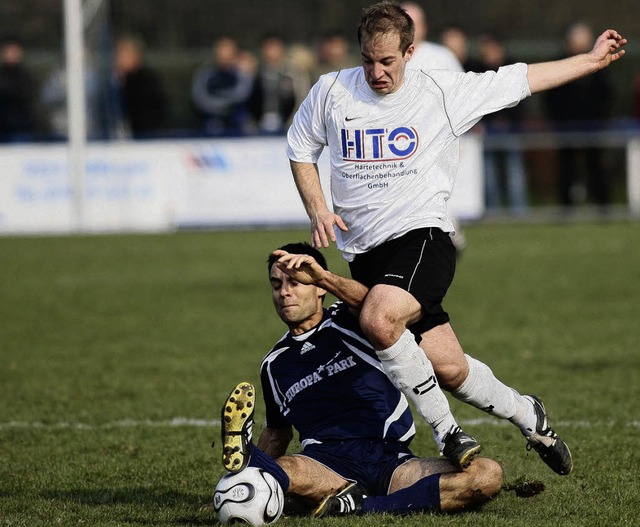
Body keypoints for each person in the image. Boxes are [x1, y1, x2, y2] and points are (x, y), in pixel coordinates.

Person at [287, 0, 625, 474]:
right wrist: (318, 207)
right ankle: (529, 414)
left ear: (409, 52)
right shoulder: (331, 91)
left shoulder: (442, 92)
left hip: (422, 239)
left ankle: (446, 431)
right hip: (364, 254)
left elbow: (522, 79)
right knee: (448, 368)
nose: (376, 72)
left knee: (381, 321)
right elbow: (301, 147)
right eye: (368, 60)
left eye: (387, 61)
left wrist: (590, 60)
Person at [217, 242, 504, 517]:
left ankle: (360, 506)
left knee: (487, 474)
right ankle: (249, 457)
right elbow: (278, 433)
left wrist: (325, 276)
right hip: (325, 464)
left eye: (295, 282)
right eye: (276, 285)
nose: (284, 293)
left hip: (391, 461)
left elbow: (374, 303)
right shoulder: (274, 364)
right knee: (290, 470)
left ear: (318, 289)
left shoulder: (351, 321)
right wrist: (240, 482)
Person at [544, 22, 613, 211]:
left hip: (593, 126)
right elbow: (551, 97)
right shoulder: (558, 64)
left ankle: (603, 206)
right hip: (566, 126)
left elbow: (606, 95)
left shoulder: (600, 65)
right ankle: (566, 207)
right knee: (566, 168)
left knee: (596, 166)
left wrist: (600, 119)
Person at [476, 33, 529, 215]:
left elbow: (522, 97)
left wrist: (510, 121)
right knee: (489, 174)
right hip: (487, 130)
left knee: (515, 172)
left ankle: (519, 211)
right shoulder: (478, 70)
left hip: (511, 129)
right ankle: (493, 211)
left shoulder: (513, 69)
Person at [191, 36, 253, 136]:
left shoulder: (241, 74)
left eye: (228, 57)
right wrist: (222, 105)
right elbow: (200, 98)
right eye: (221, 56)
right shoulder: (205, 75)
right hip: (210, 122)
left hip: (236, 123)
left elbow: (243, 94)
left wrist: (220, 99)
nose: (225, 61)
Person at [247, 33, 304, 135]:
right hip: (260, 127)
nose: (271, 52)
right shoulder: (256, 71)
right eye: (267, 47)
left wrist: (293, 124)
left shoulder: (294, 71)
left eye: (274, 47)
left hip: (289, 126)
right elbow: (249, 100)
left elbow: (302, 98)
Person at [114, 35, 168, 139]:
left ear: (135, 56)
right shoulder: (118, 80)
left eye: (121, 54)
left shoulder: (145, 81)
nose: (117, 59)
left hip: (147, 139)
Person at [0, 35, 38, 142]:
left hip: (22, 129)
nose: (11, 54)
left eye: (14, 51)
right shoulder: (2, 75)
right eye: (8, 51)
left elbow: (29, 97)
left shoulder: (26, 77)